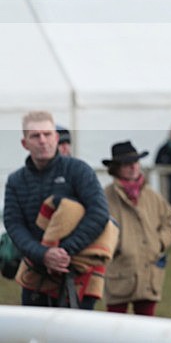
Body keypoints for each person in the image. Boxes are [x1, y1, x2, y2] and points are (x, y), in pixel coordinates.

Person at [3, 111, 109, 309]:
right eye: (35, 136)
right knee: (37, 336)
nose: (42, 141)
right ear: (24, 143)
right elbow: (14, 224)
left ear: (56, 137)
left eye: (47, 134)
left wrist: (64, 252)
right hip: (36, 274)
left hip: (77, 273)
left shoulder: (79, 171)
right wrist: (43, 254)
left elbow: (99, 212)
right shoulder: (16, 181)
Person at [102, 141, 171, 316]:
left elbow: (168, 225)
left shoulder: (152, 196)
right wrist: (118, 246)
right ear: (116, 168)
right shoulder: (105, 197)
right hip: (119, 271)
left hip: (149, 272)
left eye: (135, 162)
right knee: (114, 329)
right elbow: (98, 229)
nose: (133, 167)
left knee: (146, 329)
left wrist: (158, 244)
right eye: (127, 164)